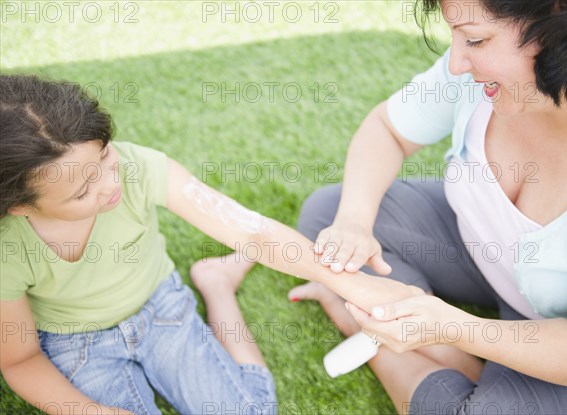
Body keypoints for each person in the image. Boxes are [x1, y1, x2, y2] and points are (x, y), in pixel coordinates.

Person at [199, 0, 567, 413]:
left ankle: (381, 344)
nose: (459, 62)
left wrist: (451, 327)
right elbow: (387, 130)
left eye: (476, 40)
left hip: (564, 332)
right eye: (458, 37)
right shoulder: (481, 75)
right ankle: (425, 345)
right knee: (328, 214)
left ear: (563, 22)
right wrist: (354, 221)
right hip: (473, 248)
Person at [0, 75, 423, 415]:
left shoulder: (140, 168)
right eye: (81, 191)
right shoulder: (8, 250)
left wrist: (358, 287)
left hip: (160, 307)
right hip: (76, 341)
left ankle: (216, 284)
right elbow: (19, 360)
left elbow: (252, 232)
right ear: (20, 206)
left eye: (106, 156)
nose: (112, 183)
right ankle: (217, 278)